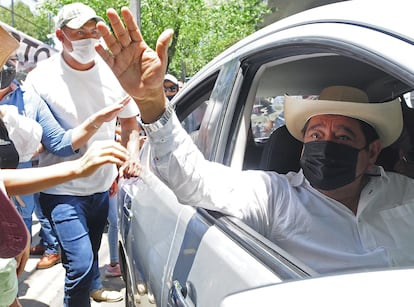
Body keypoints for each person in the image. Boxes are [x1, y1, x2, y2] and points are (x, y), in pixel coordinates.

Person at [97, 7, 414, 275]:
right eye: (316, 135)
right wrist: (153, 103)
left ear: (372, 152)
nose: (325, 144)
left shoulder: (403, 193)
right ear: (303, 146)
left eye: (342, 137)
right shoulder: (276, 197)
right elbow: (194, 181)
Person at [24, 3, 140, 305]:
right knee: (81, 264)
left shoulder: (113, 71)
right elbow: (52, 141)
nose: (89, 39)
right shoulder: (40, 79)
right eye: (79, 32)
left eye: (93, 31)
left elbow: (130, 122)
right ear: (60, 36)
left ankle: (91, 288)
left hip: (101, 187)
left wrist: (131, 156)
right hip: (60, 189)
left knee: (87, 261)